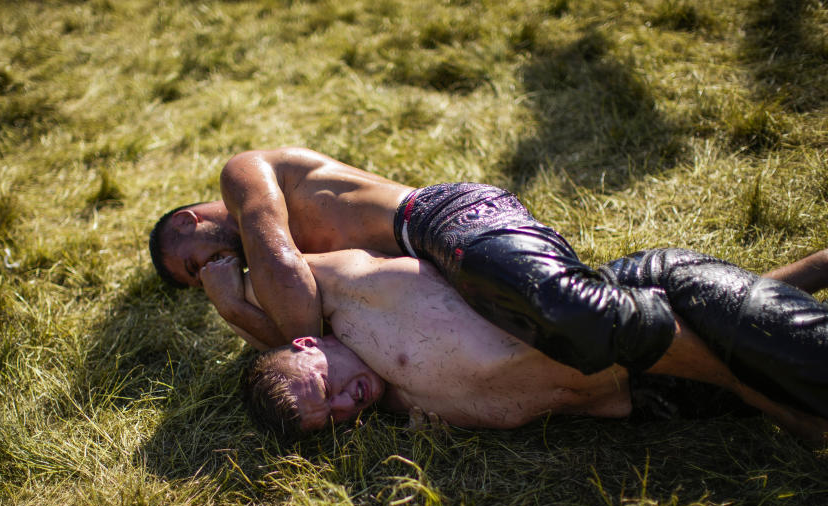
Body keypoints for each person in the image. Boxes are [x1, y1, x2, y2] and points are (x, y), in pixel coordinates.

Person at [151, 147, 828, 374]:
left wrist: (244, 301)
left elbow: (299, 316)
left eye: (192, 265)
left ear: (187, 223)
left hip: (447, 224)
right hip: (454, 286)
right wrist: (233, 305)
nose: (207, 271)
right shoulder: (255, 284)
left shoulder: (244, 178)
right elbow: (315, 351)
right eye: (197, 281)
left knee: (579, 314)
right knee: (625, 312)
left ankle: (751, 387)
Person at [243, 248, 828, 445]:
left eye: (325, 388)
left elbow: (270, 263)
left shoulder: (359, 291)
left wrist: (221, 274)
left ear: (306, 341)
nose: (346, 407)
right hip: (658, 399)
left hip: (644, 304)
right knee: (770, 337)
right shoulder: (400, 410)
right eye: (335, 420)